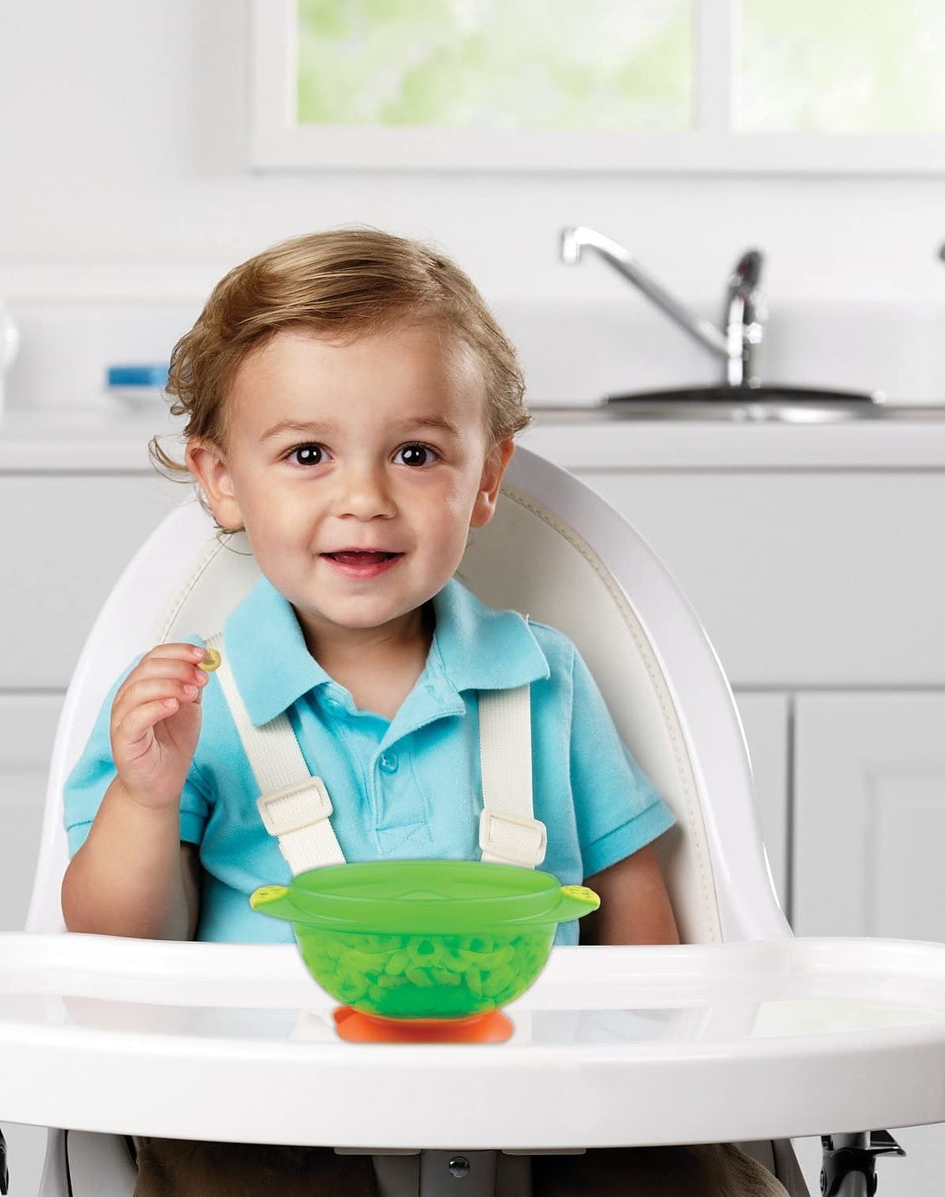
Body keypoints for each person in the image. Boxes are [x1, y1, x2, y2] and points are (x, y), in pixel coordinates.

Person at [61, 226, 794, 1197]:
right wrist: (145, 802)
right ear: (222, 481)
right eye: (308, 453)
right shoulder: (188, 703)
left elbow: (635, 922)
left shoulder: (544, 677)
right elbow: (113, 957)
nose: (363, 498)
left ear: (485, 477)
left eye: (413, 453)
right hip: (263, 1113)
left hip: (542, 1104)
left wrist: (642, 1068)